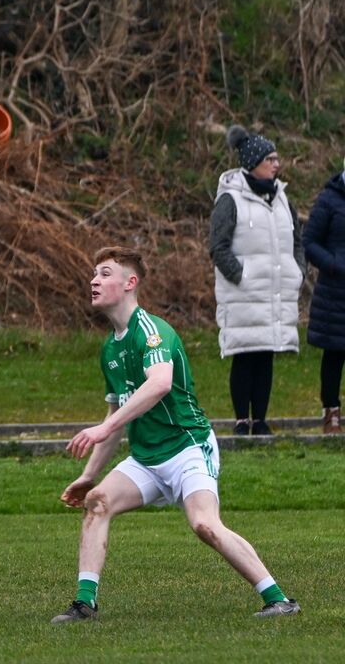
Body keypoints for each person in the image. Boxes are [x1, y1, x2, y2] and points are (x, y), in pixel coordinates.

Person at [51, 246, 300, 623]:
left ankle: (279, 599)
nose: (93, 280)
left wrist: (104, 427)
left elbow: (160, 384)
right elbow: (118, 413)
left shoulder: (151, 331)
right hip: (147, 457)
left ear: (129, 283)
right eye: (94, 274)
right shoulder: (109, 350)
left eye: (104, 273)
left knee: (204, 524)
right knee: (98, 501)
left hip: (188, 447)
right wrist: (89, 475)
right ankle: (84, 605)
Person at [208, 125, 304, 436]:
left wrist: (297, 271)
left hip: (275, 293)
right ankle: (240, 420)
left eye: (277, 158)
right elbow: (217, 246)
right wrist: (240, 276)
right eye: (270, 159)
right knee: (244, 356)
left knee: (265, 356)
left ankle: (260, 420)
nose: (277, 164)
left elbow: (298, 241)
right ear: (253, 162)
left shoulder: (283, 199)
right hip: (243, 293)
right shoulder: (230, 199)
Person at [301, 161, 345, 434]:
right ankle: (331, 414)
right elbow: (310, 242)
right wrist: (333, 264)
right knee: (335, 354)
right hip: (336, 292)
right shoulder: (329, 200)